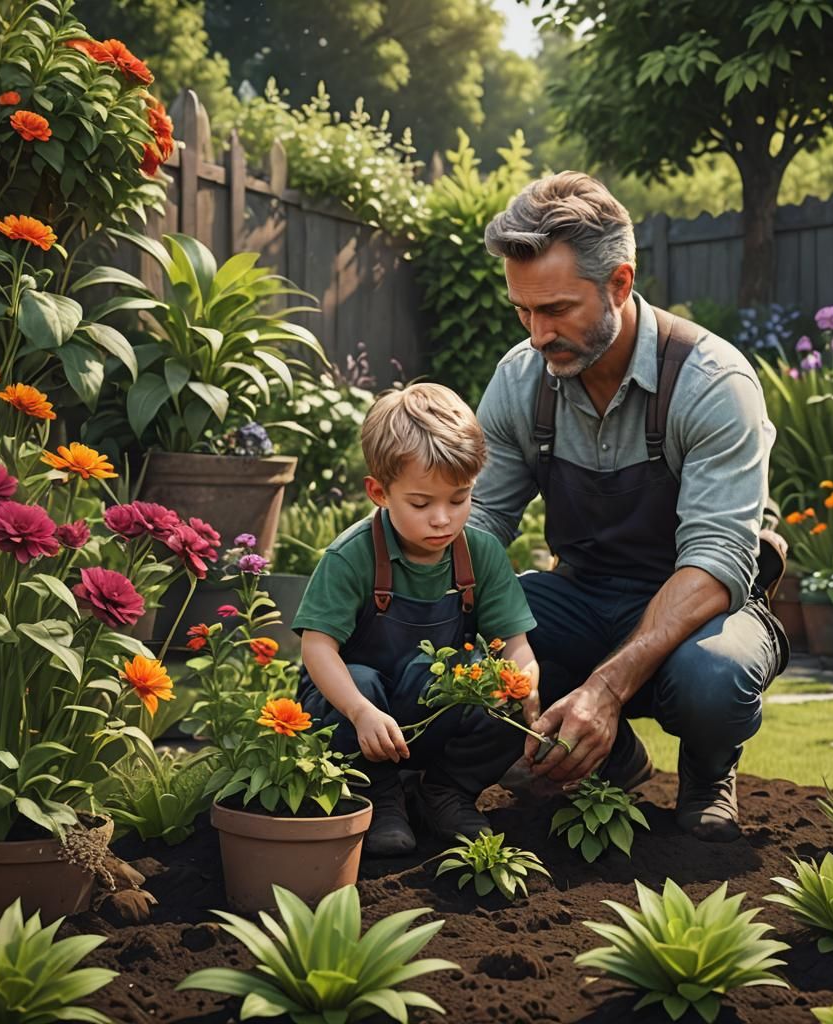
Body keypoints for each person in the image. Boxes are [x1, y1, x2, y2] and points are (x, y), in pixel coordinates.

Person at [469, 172, 789, 843]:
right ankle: (612, 759)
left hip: (705, 606)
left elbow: (715, 561)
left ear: (619, 282)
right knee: (456, 624)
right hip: (582, 594)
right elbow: (476, 527)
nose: (535, 335)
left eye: (555, 309)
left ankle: (708, 772)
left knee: (714, 677)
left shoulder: (711, 383)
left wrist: (608, 689)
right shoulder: (523, 379)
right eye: (522, 312)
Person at [293, 382, 538, 856]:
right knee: (360, 681)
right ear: (379, 492)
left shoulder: (479, 554)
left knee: (500, 685)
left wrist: (525, 689)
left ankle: (445, 792)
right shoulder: (352, 556)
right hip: (356, 716)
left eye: (459, 498)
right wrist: (361, 711)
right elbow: (317, 648)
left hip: (434, 712)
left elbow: (515, 641)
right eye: (422, 504)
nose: (443, 520)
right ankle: (378, 796)